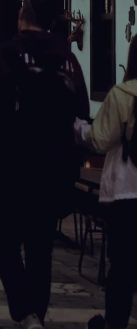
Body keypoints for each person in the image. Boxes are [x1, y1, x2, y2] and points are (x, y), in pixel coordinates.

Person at [0, 0, 89, 329]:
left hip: (13, 165)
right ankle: (35, 313)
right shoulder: (69, 61)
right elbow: (80, 116)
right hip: (54, 168)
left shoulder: (7, 55)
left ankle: (26, 313)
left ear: (25, 15)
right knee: (40, 246)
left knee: (3, 243)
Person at [75, 35, 137, 329]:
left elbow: (99, 140)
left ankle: (115, 324)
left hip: (126, 191)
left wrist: (78, 128)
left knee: (123, 265)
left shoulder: (122, 94)